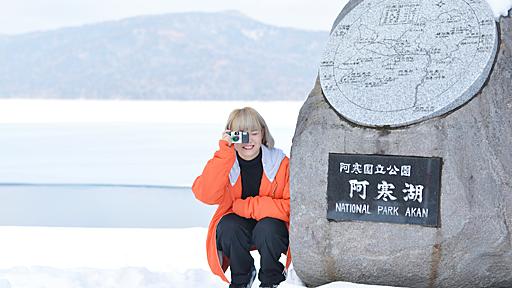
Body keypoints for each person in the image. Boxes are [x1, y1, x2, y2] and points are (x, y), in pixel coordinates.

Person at [192, 107, 291, 288]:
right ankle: (242, 278)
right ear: (231, 136)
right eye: (241, 135)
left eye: (253, 133)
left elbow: (291, 206)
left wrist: (247, 207)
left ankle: (271, 280)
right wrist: (224, 153)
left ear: (263, 134)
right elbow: (205, 195)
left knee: (268, 227)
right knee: (229, 226)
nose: (248, 141)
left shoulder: (280, 163)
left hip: (271, 230)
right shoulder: (226, 163)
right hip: (237, 229)